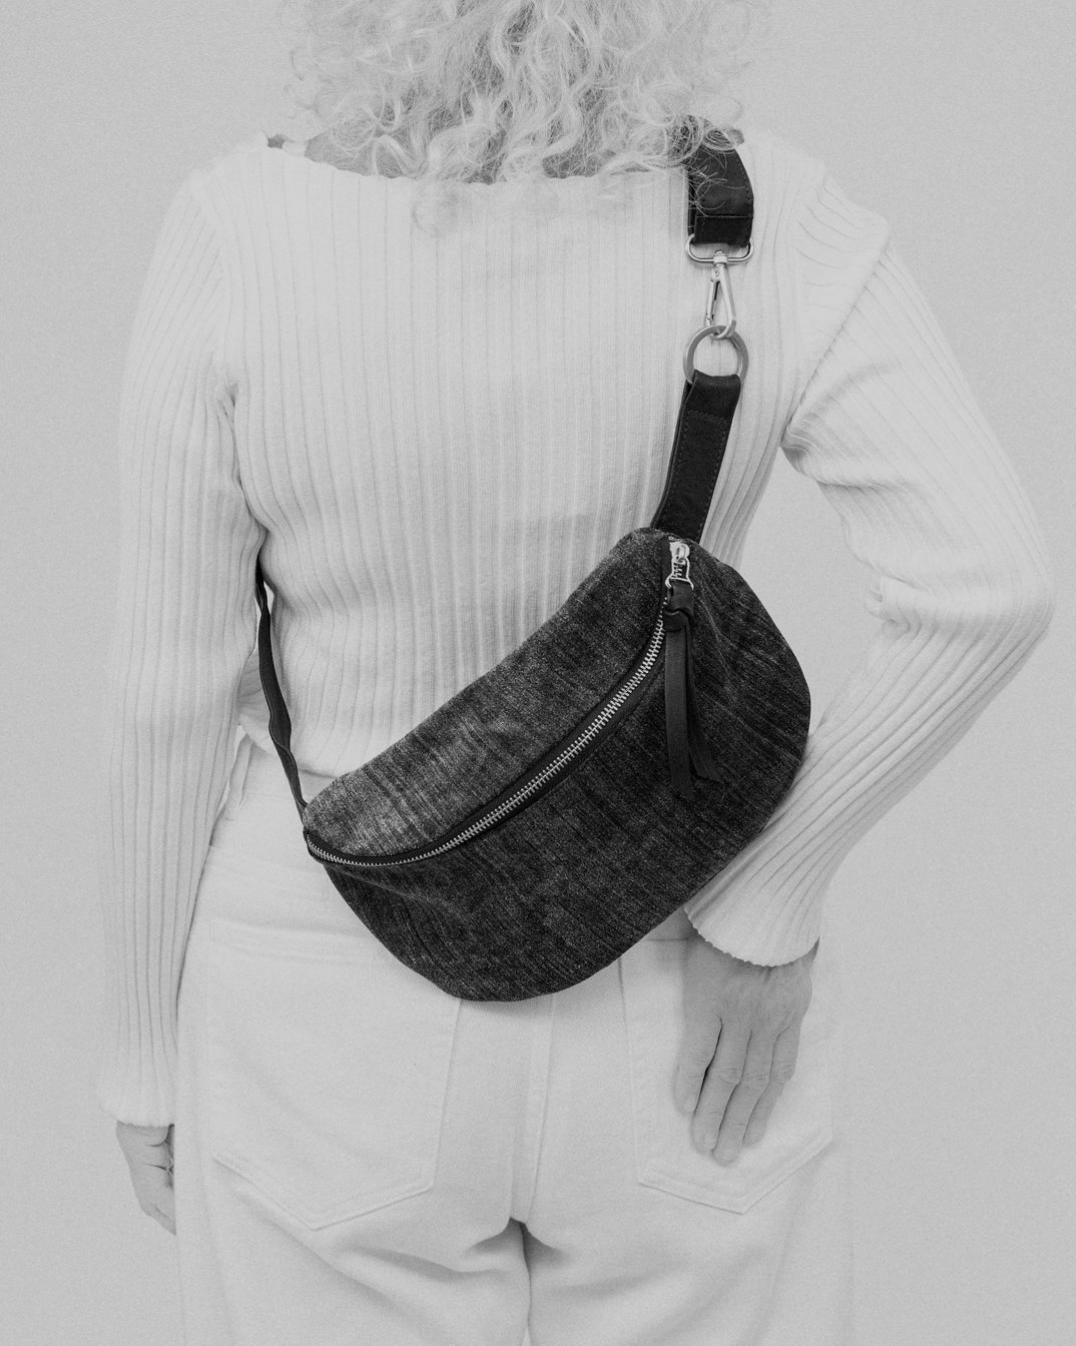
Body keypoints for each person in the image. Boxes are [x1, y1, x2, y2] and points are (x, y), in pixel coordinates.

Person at [96, 3, 1056, 1343]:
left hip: (325, 1003)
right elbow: (989, 586)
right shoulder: (770, 220)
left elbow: (166, 695)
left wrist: (143, 1054)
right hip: (680, 986)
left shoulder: (239, 231)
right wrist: (766, 905)